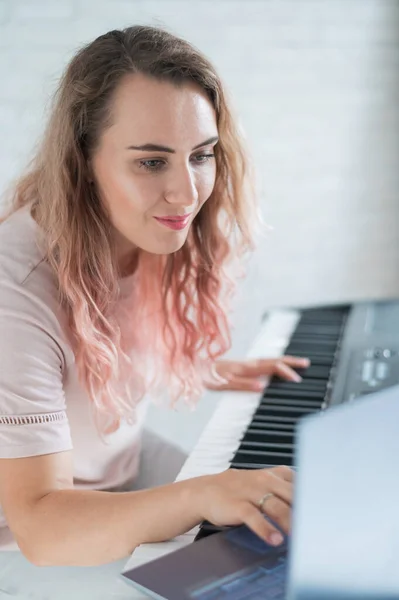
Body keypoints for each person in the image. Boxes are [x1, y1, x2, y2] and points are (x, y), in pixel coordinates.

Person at [0, 25, 309, 568]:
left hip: (120, 474)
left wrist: (198, 365)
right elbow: (41, 528)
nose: (188, 194)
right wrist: (199, 494)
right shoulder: (13, 288)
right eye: (151, 162)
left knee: (279, 526)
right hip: (29, 542)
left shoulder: (136, 225)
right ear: (82, 162)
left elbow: (93, 350)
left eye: (201, 155)